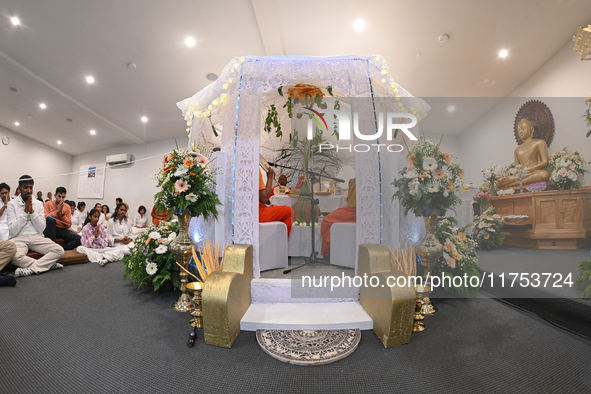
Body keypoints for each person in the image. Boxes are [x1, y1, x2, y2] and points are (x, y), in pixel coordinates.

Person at [7, 175, 64, 278]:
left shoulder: (38, 204)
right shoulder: (12, 204)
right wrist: (25, 212)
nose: (29, 190)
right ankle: (47, 265)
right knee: (14, 257)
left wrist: (32, 212)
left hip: (36, 237)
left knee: (59, 250)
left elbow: (41, 228)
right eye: (25, 187)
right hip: (18, 238)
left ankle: (31, 269)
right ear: (19, 188)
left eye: (31, 187)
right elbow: (12, 231)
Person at [320, 179, 356, 257]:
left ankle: (328, 252)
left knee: (328, 222)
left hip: (354, 211)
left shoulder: (345, 213)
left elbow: (325, 222)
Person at [259, 167, 293, 235]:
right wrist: (270, 177)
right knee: (290, 212)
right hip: (258, 212)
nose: (282, 181)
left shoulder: (289, 189)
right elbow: (264, 199)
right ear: (278, 181)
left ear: (286, 181)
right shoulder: (274, 189)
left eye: (284, 180)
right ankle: (281, 241)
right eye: (281, 180)